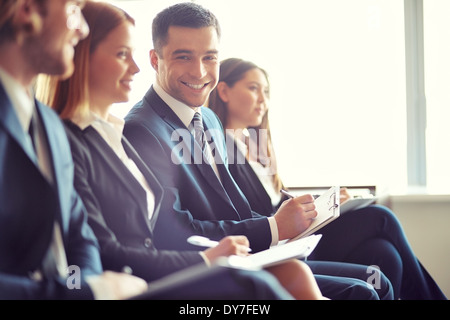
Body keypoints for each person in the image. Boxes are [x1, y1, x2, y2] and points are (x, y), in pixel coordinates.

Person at [37, 0, 326, 300]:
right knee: (283, 282)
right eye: (122, 54)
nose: (134, 68)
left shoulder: (120, 131)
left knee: (326, 274)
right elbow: (149, 235)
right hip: (152, 277)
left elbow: (231, 204)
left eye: (209, 57)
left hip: (203, 259)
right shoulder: (134, 129)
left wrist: (279, 230)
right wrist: (211, 256)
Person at [123, 2, 394, 300]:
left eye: (210, 57)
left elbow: (233, 207)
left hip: (254, 255)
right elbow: (174, 230)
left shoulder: (209, 118)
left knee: (376, 279)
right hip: (212, 271)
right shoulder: (142, 130)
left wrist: (292, 223)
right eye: (183, 56)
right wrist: (272, 227)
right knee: (363, 291)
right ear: (154, 59)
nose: (199, 71)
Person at [208, 57, 447, 300]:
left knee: (384, 254)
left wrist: (327, 205)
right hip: (280, 247)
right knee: (381, 218)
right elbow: (251, 216)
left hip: (294, 236)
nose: (263, 99)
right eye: (253, 88)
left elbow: (279, 204)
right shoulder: (222, 151)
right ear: (225, 91)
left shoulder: (256, 149)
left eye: (266, 91)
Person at [0, 0, 149, 299]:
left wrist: (80, 286)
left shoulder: (50, 126)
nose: (82, 30)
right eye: (72, 10)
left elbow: (79, 239)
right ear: (27, 10)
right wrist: (85, 294)